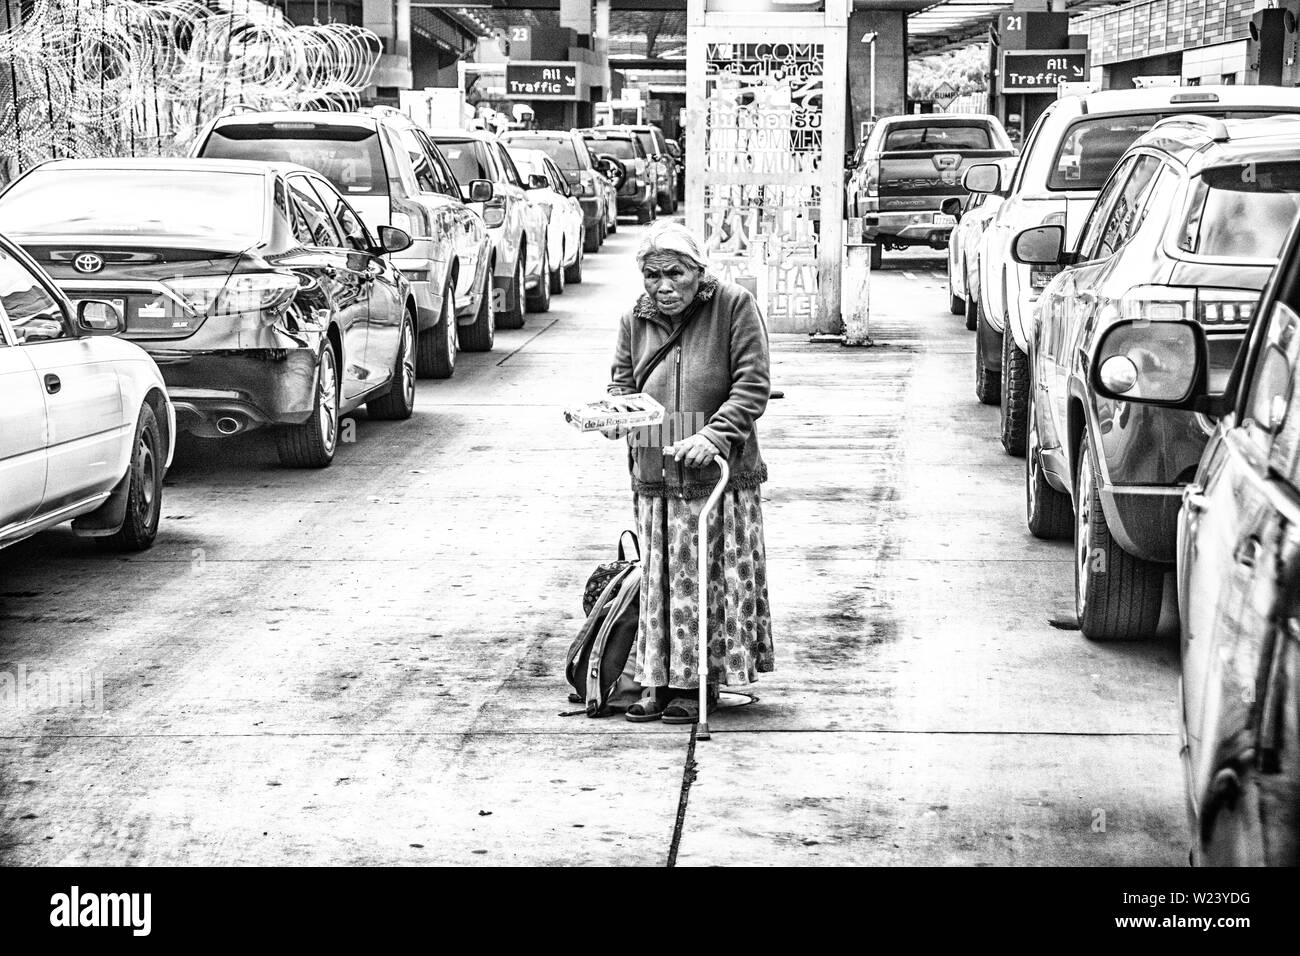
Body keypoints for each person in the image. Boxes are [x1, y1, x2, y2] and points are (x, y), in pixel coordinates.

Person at [605, 222, 774, 724]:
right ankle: (658, 679)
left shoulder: (733, 305)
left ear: (698, 272)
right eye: (652, 276)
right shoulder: (634, 320)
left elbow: (752, 385)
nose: (663, 286)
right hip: (656, 469)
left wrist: (714, 435)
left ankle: (700, 682)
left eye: (674, 274)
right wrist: (614, 417)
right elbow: (621, 385)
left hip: (716, 471)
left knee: (708, 581)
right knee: (662, 583)